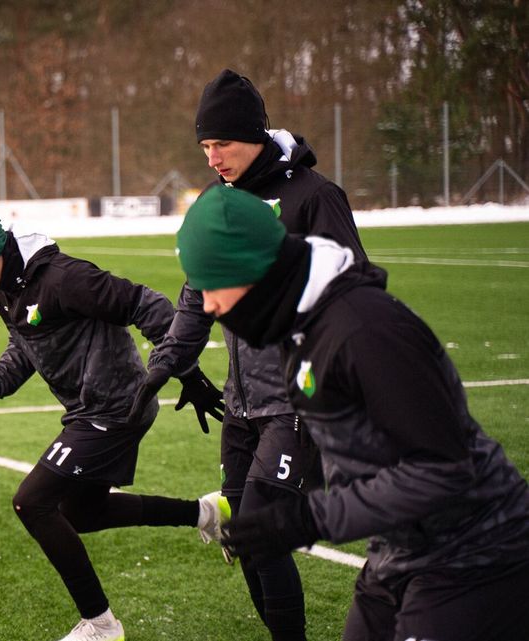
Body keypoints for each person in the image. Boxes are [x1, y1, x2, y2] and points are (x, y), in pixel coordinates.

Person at [177, 185, 529, 641]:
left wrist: (310, 518)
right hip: (399, 549)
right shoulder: (298, 329)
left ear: (250, 266)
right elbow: (350, 450)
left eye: (211, 284)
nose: (208, 305)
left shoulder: (365, 329)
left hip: (476, 553)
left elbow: (444, 470)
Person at [137, 68, 368, 641]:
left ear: (256, 135)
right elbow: (196, 296)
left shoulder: (314, 197)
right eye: (205, 147)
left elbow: (354, 292)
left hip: (295, 401)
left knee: (264, 530)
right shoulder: (218, 200)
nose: (213, 158)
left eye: (223, 144)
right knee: (241, 534)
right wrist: (162, 367)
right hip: (240, 406)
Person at [0, 202, 230, 641]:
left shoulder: (64, 278)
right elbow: (24, 345)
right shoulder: (5, 288)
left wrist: (185, 371)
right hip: (88, 410)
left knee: (31, 503)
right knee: (80, 512)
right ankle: (207, 513)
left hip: (117, 406)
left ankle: (101, 625)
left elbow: (145, 304)